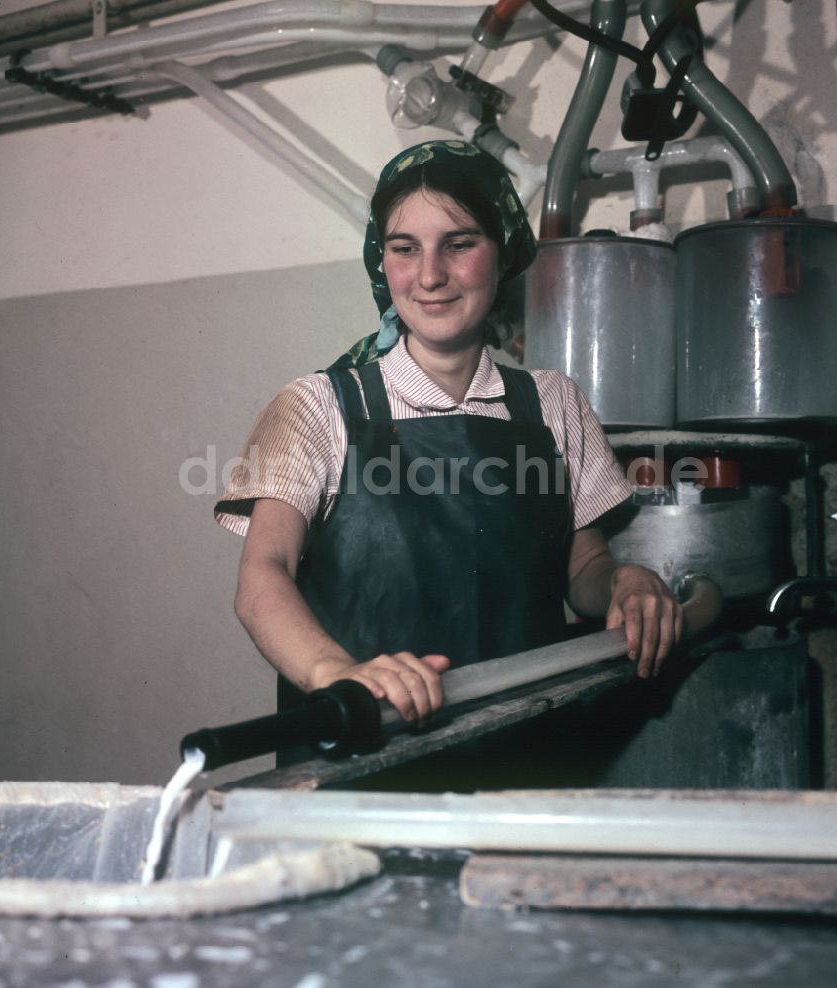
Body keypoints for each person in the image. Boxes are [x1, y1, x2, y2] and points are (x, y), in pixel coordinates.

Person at [215, 139, 681, 744]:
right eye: (405, 249)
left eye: (459, 244)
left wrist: (625, 581)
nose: (431, 275)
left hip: (523, 751)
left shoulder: (553, 402)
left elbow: (583, 567)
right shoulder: (317, 406)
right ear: (382, 262)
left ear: (501, 252)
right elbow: (262, 577)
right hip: (363, 760)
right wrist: (339, 673)